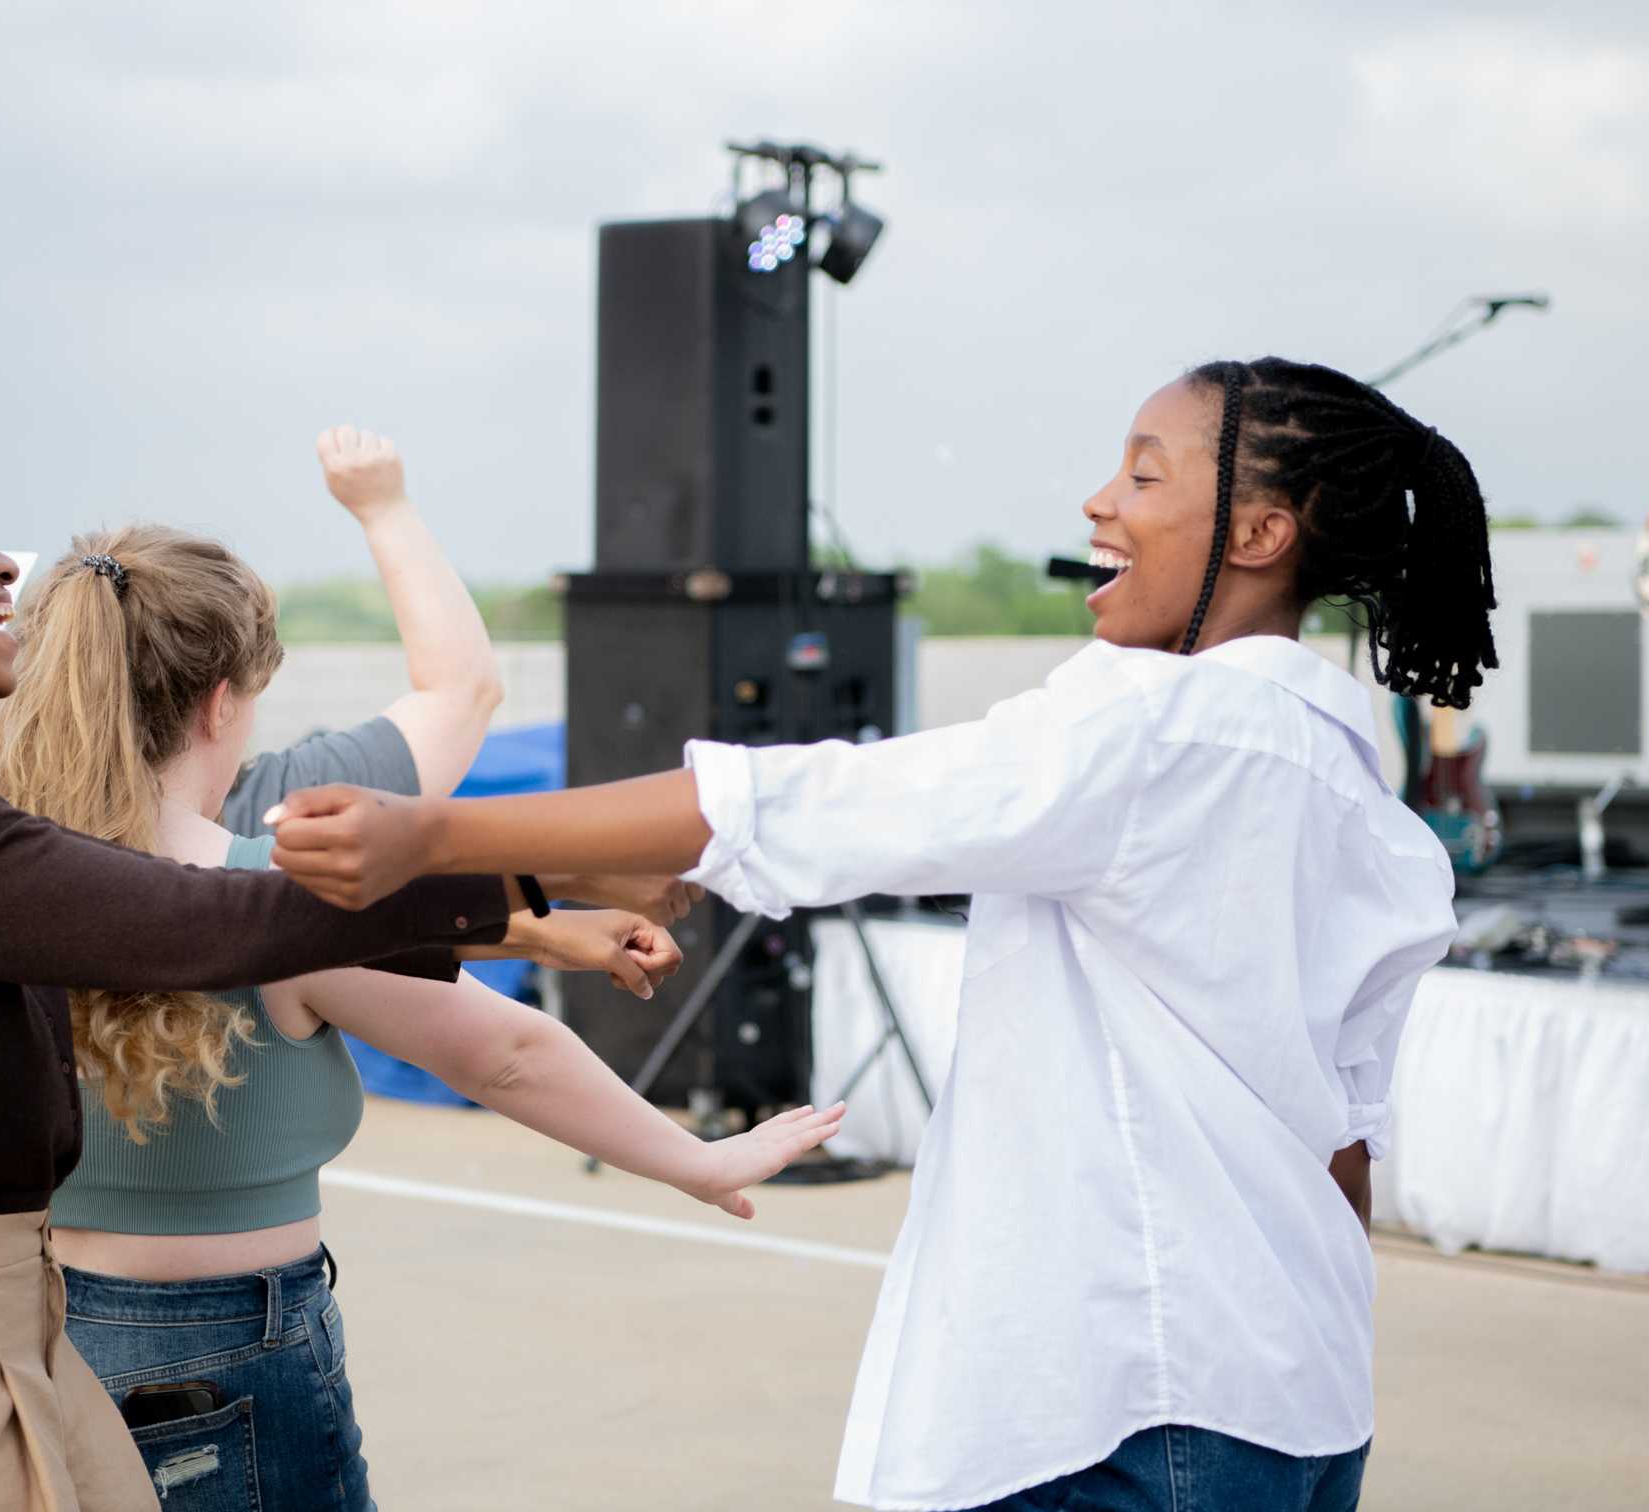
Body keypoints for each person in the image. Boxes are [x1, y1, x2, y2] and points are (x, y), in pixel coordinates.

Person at [263, 358, 1494, 1512]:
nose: (1098, 502)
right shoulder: (1345, 774)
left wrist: (435, 835)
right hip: (1298, 1390)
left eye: (1143, 474)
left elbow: (818, 802)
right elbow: (1347, 1137)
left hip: (1136, 1404)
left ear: (1259, 534)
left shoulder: (1158, 738)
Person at [0, 424, 677, 1512]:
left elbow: (172, 909)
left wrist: (530, 925)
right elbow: (191, 921)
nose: (5, 562)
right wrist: (529, 875)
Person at [0, 516, 843, 1509]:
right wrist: (699, 1160)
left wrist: (538, 931)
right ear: (222, 704)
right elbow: (501, 1054)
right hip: (235, 1356)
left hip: (52, 1330)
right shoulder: (269, 899)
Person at [220, 425, 701, 927]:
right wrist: (385, 509)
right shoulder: (266, 807)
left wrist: (549, 919)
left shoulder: (141, 876)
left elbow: (353, 927)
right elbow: (465, 691)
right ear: (218, 706)